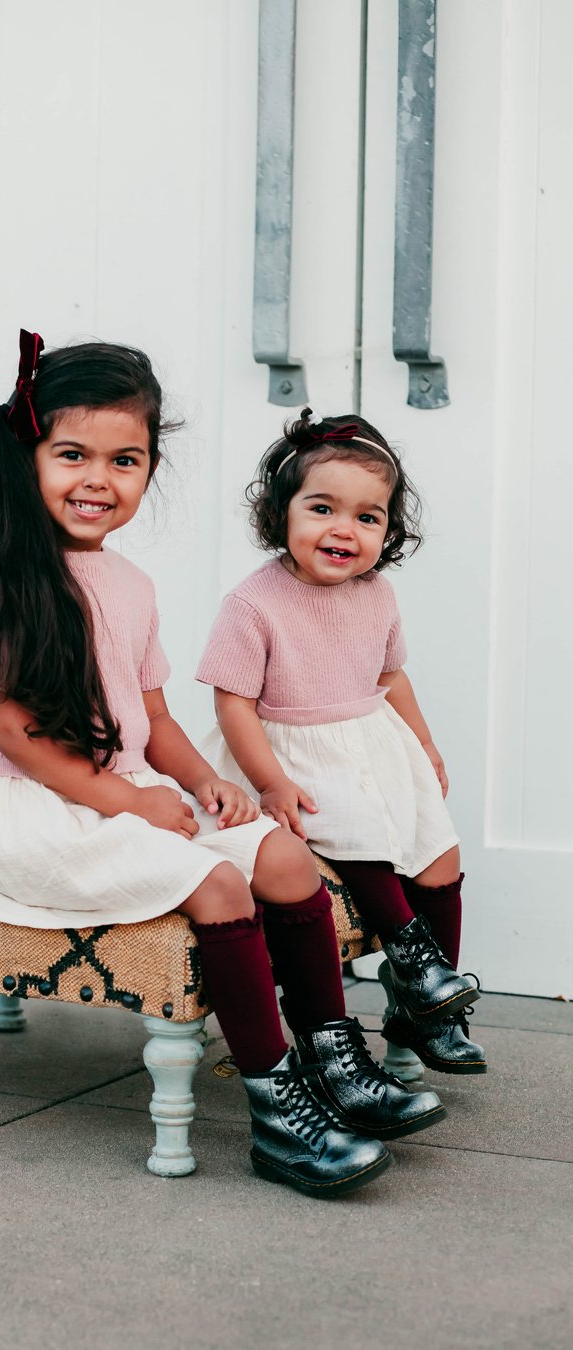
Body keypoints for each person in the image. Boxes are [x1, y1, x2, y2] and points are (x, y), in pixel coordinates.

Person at [0, 333, 445, 1199]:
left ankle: (331, 1059)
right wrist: (125, 800)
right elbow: (18, 738)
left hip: (119, 792)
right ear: (27, 456)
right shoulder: (7, 575)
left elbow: (152, 718)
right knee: (222, 888)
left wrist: (203, 783)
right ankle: (279, 1114)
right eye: (72, 454)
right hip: (30, 804)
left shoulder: (131, 584)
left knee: (281, 854)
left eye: (126, 459)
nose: (98, 479)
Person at [197, 408, 486, 1077]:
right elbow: (233, 702)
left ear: (388, 530)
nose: (344, 530)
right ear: (282, 514)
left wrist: (425, 744)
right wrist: (268, 782)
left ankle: (426, 1006)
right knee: (353, 831)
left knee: (439, 851)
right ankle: (415, 965)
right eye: (322, 508)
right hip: (288, 749)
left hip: (371, 744)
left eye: (367, 517)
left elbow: (392, 677)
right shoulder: (253, 603)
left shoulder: (377, 593)